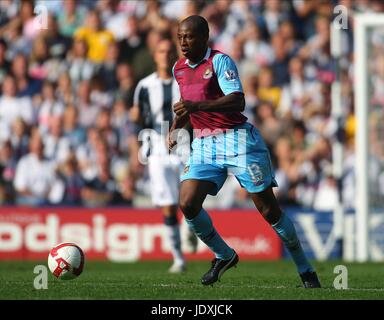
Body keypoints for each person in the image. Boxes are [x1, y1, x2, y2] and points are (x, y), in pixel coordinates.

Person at [168, 15, 321, 288]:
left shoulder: (220, 62)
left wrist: (196, 107)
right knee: (188, 202)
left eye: (189, 36)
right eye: (180, 36)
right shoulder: (178, 68)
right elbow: (186, 107)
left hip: (238, 140)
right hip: (204, 143)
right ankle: (223, 255)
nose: (183, 42)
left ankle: (305, 269)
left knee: (268, 209)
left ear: (205, 37)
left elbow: (237, 101)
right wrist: (175, 128)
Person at [132, 37, 197, 273]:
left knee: (190, 198)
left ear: (174, 55)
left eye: (169, 51)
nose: (165, 55)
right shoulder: (145, 86)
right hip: (157, 148)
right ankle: (178, 258)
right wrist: (136, 150)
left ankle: (189, 227)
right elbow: (136, 119)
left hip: (184, 144)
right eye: (161, 51)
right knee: (168, 205)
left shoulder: (185, 83)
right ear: (155, 55)